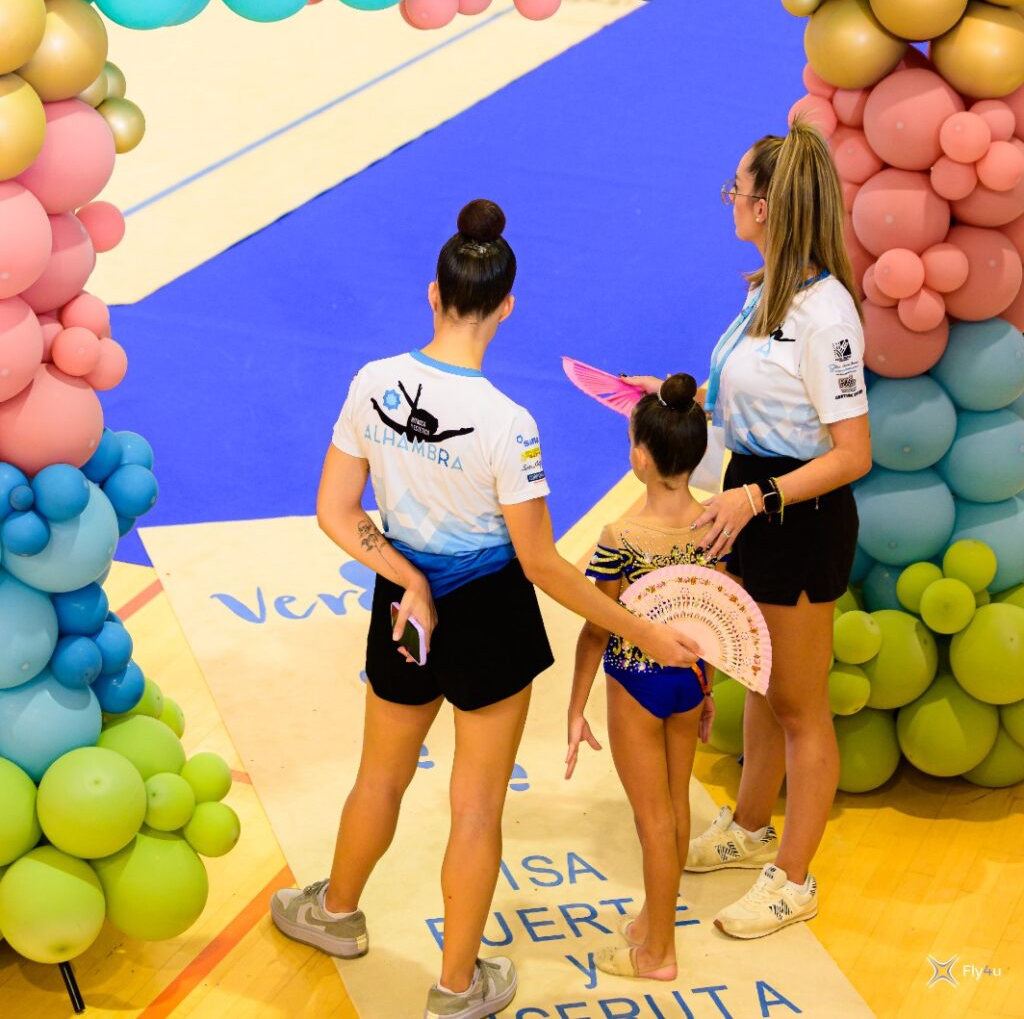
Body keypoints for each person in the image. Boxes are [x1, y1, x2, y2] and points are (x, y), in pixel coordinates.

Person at [270, 199, 700, 1019]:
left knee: (379, 777)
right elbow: (540, 564)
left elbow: (335, 510)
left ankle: (334, 914)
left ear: (434, 294)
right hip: (492, 615)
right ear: (507, 307)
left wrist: (409, 577)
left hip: (405, 607)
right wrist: (643, 630)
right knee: (475, 808)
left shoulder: (371, 382)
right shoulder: (511, 425)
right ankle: (456, 988)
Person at [627, 119, 871, 939]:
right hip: (751, 502)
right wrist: (684, 401)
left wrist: (758, 499)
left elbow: (852, 454)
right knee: (762, 682)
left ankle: (793, 880)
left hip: (797, 519)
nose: (729, 199)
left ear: (766, 207)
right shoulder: (765, 290)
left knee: (800, 707)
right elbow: (762, 401)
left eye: (736, 188)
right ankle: (752, 826)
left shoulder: (827, 315)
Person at [565, 373, 718, 982]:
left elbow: (597, 628)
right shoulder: (715, 527)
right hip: (690, 680)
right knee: (676, 807)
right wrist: (707, 688)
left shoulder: (620, 538)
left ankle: (658, 953)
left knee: (652, 819)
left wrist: (575, 707)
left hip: (636, 681)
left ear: (640, 458)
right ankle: (657, 917)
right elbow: (715, 615)